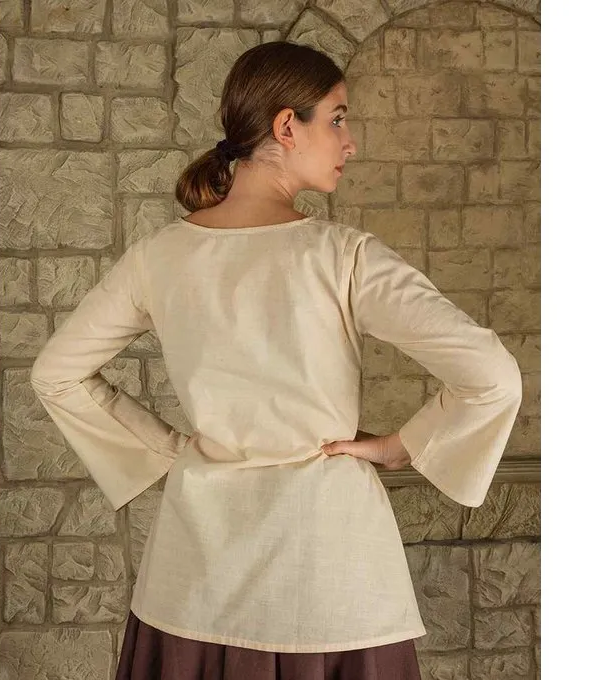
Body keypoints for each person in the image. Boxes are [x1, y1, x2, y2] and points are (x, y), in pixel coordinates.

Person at [30, 41, 523, 680]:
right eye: (338, 118)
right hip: (331, 580)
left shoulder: (158, 256)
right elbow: (491, 375)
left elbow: (56, 374)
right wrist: (401, 447)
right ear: (288, 126)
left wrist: (170, 451)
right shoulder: (343, 256)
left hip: (193, 580)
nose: (350, 142)